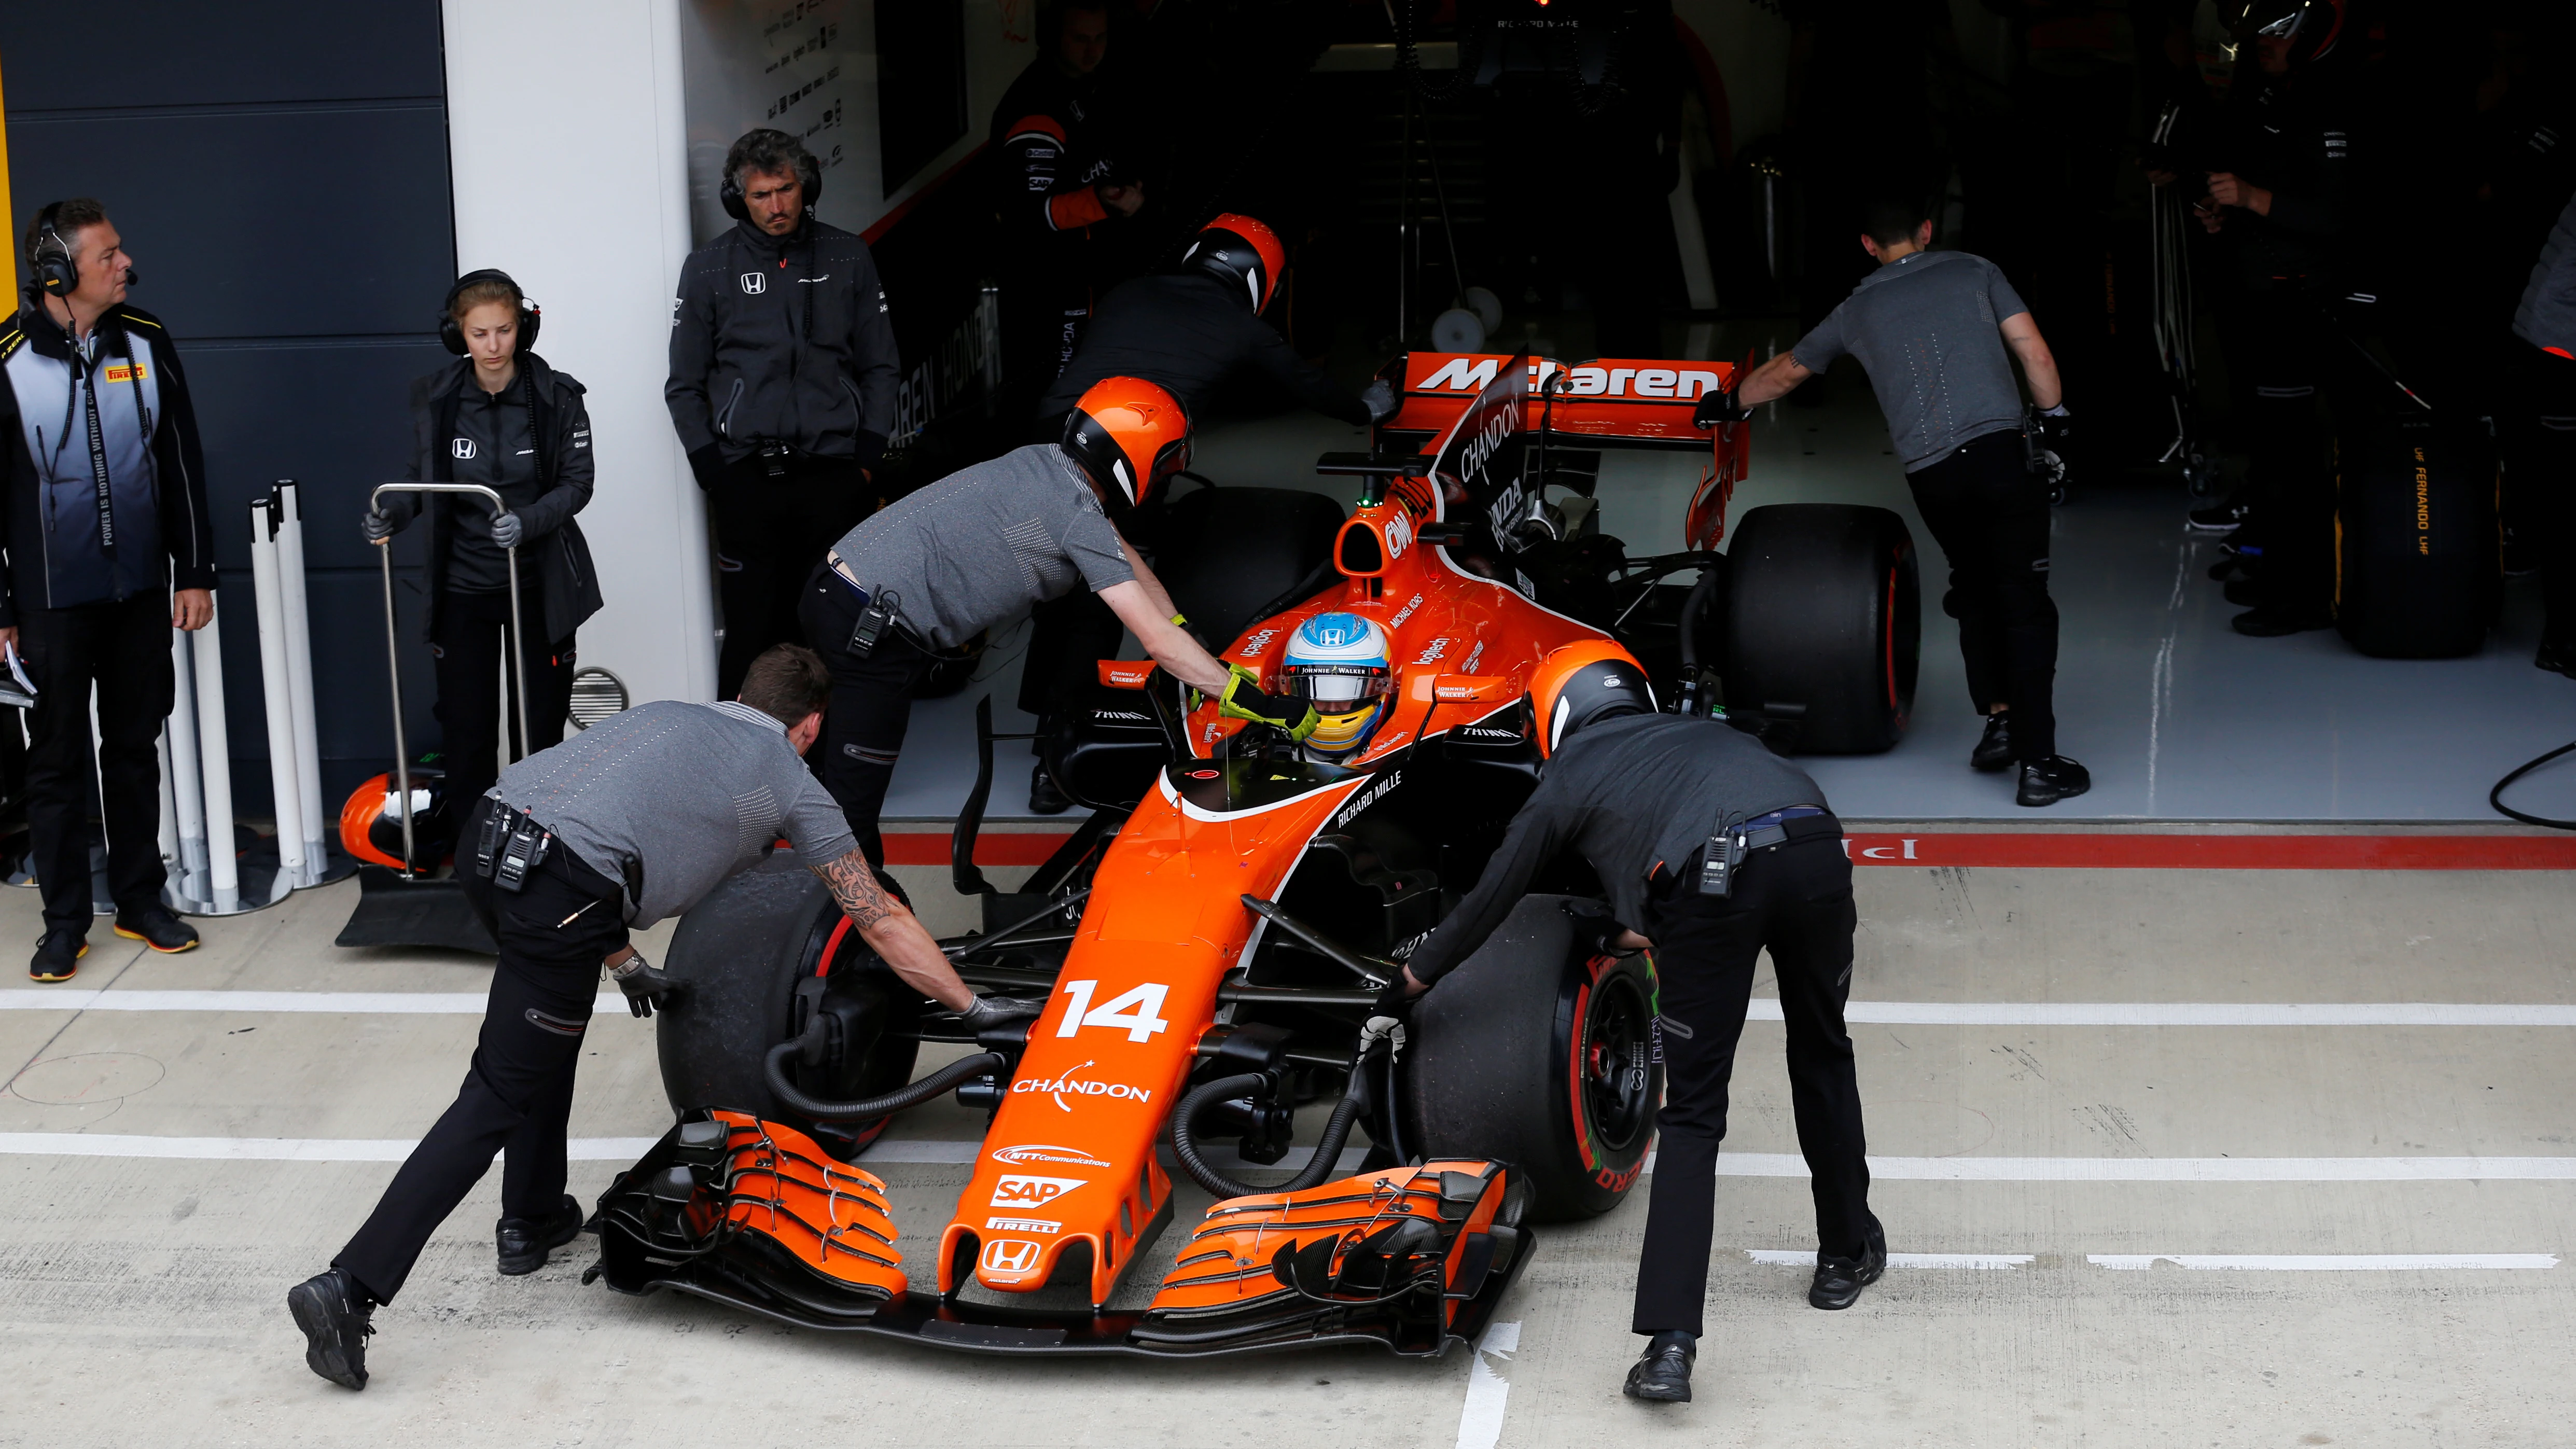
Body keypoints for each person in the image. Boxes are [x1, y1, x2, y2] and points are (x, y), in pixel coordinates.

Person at [285, 645, 1037, 1391]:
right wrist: (970, 1005)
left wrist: (618, 958)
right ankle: (350, 1285)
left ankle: (532, 1215)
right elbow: (876, 917)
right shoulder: (789, 779)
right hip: (559, 891)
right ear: (810, 726)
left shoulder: (666, 716)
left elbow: (587, 823)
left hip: (489, 837)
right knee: (498, 1091)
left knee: (539, 1038)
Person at [1384, 643, 1881, 1405]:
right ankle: (1844, 1256)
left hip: (1717, 879)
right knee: (1821, 1050)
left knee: (1691, 1118)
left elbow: (1491, 897)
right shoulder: (1700, 734)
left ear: (1552, 716)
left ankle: (1669, 1347)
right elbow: (1681, 840)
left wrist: (1412, 979)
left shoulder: (1567, 775)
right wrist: (1644, 924)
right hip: (1815, 848)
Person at [800, 374, 1316, 876]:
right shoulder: (1073, 512)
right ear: (1134, 457)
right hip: (870, 630)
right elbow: (1156, 642)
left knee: (823, 772)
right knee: (853, 812)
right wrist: (1257, 703)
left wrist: (1197, 645)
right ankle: (854, 935)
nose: (1162, 477)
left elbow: (1137, 575)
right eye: (1161, 463)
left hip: (840, 592)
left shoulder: (1046, 464)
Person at [1016, 215, 1396, 812]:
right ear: (1255, 278)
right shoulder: (1237, 323)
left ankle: (1043, 728)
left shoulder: (1129, 290)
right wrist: (1367, 406)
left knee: (1060, 598)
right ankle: (1055, 764)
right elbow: (1312, 388)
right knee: (1100, 601)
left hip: (1040, 449)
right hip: (1120, 462)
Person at [1717, 197, 2089, 806]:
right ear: (1926, 230)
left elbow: (1786, 372)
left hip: (1932, 474)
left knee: (1972, 588)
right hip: (2000, 457)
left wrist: (1729, 404)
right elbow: (2034, 354)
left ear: (1868, 245)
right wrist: (2055, 421)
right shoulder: (1974, 271)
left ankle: (1998, 723)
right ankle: (2039, 762)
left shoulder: (1856, 308)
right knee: (2023, 604)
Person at [0, 199, 216, 981]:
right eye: (109, 256)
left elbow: (183, 463)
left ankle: (139, 899)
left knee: (132, 751)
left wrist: (192, 573)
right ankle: (63, 922)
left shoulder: (148, 341)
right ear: (58, 274)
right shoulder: (7, 359)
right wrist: (0, 612)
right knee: (54, 765)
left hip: (137, 597)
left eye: (121, 250)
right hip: (49, 605)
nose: (126, 264)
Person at [668, 128, 903, 699]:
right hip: (746, 480)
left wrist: (865, 461)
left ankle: (827, 770)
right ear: (737, 199)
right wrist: (716, 475)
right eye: (760, 195)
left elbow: (882, 366)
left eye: (786, 189)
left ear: (807, 186)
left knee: (832, 628)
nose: (776, 207)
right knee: (751, 634)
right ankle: (740, 768)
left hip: (833, 476)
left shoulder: (849, 254)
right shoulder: (706, 269)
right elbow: (683, 386)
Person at [364, 271, 602, 817]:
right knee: (467, 728)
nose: (493, 346)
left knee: (538, 727)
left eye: (504, 330)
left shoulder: (557, 396)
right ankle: (473, 852)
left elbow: (578, 482)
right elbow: (418, 480)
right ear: (457, 336)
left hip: (539, 587)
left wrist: (530, 519)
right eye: (479, 334)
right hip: (463, 588)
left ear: (524, 328)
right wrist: (390, 513)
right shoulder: (437, 396)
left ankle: (539, 838)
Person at [2170, 0, 2362, 636]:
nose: (2264, 46)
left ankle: (2305, 593)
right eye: (2261, 36)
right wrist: (2224, 212)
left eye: (2278, 36)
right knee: (2270, 450)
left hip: (2300, 304)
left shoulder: (2327, 104)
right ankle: (2275, 568)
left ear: (2308, 36)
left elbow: (2334, 218)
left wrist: (2251, 197)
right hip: (2261, 297)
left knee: (2293, 458)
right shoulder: (2273, 99)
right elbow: (2266, 203)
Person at [991, 0, 1143, 419]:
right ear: (1053, 38)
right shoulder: (1036, 108)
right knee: (1054, 394)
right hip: (1046, 283)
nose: (1092, 50)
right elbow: (1028, 214)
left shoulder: (1087, 85)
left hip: (1087, 272)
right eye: (1080, 39)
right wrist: (1104, 203)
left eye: (1100, 38)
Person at [2507, 185, 2576, 677]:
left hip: (2550, 338)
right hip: (2562, 345)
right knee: (2567, 499)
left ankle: (2562, 637)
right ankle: (2564, 640)